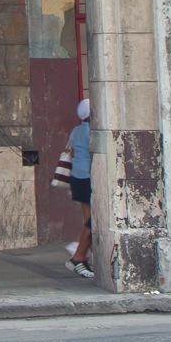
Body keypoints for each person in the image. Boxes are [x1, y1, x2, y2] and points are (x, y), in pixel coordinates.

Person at [66, 99, 94, 279]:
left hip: (77, 177)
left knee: (89, 220)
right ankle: (78, 257)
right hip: (88, 178)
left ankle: (85, 257)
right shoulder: (92, 132)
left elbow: (73, 153)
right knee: (93, 222)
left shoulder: (76, 131)